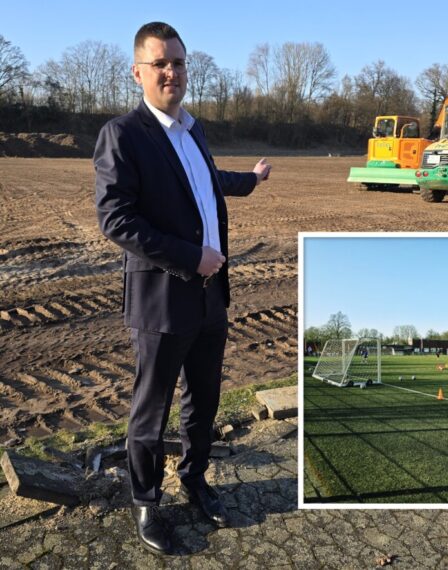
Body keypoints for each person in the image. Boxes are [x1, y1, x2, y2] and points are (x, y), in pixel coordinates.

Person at [94, 22, 271, 555]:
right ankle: (147, 501)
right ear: (138, 72)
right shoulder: (124, 134)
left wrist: (254, 179)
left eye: (178, 61)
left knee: (204, 401)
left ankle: (195, 479)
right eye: (160, 63)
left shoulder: (193, 132)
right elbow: (116, 220)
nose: (171, 71)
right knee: (152, 409)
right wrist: (193, 256)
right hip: (162, 299)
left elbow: (210, 182)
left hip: (211, 297)